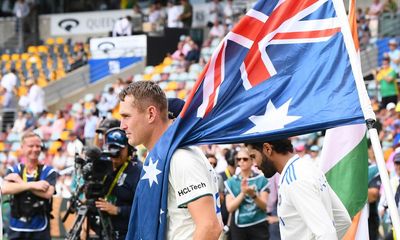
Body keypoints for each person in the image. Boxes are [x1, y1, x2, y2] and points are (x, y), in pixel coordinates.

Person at [119, 81, 222, 239]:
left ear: (151, 114)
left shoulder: (180, 158)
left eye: (126, 116)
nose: (122, 126)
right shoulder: (166, 156)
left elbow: (210, 227)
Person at [246, 139, 351, 239]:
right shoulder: (307, 167)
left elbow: (326, 233)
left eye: (253, 156)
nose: (254, 164)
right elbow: (342, 219)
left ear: (267, 148)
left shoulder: (294, 180)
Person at [2, 132, 56, 240]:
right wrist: (34, 185)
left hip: (40, 226)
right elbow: (5, 189)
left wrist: (19, 183)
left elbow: (48, 194)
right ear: (22, 148)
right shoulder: (14, 170)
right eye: (31, 146)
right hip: (16, 226)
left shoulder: (49, 171)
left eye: (38, 146)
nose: (35, 149)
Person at [95, 127, 142, 240]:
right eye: (112, 148)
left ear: (129, 149)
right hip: (104, 230)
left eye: (119, 149)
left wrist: (117, 210)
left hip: (126, 233)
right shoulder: (104, 166)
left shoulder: (137, 171)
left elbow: (144, 208)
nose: (115, 153)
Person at [224, 149, 269, 240]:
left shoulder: (261, 179)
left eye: (245, 159)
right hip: (239, 227)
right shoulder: (231, 182)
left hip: (258, 224)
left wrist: (253, 195)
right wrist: (243, 193)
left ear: (252, 160)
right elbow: (230, 208)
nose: (241, 161)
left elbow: (264, 206)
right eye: (238, 159)